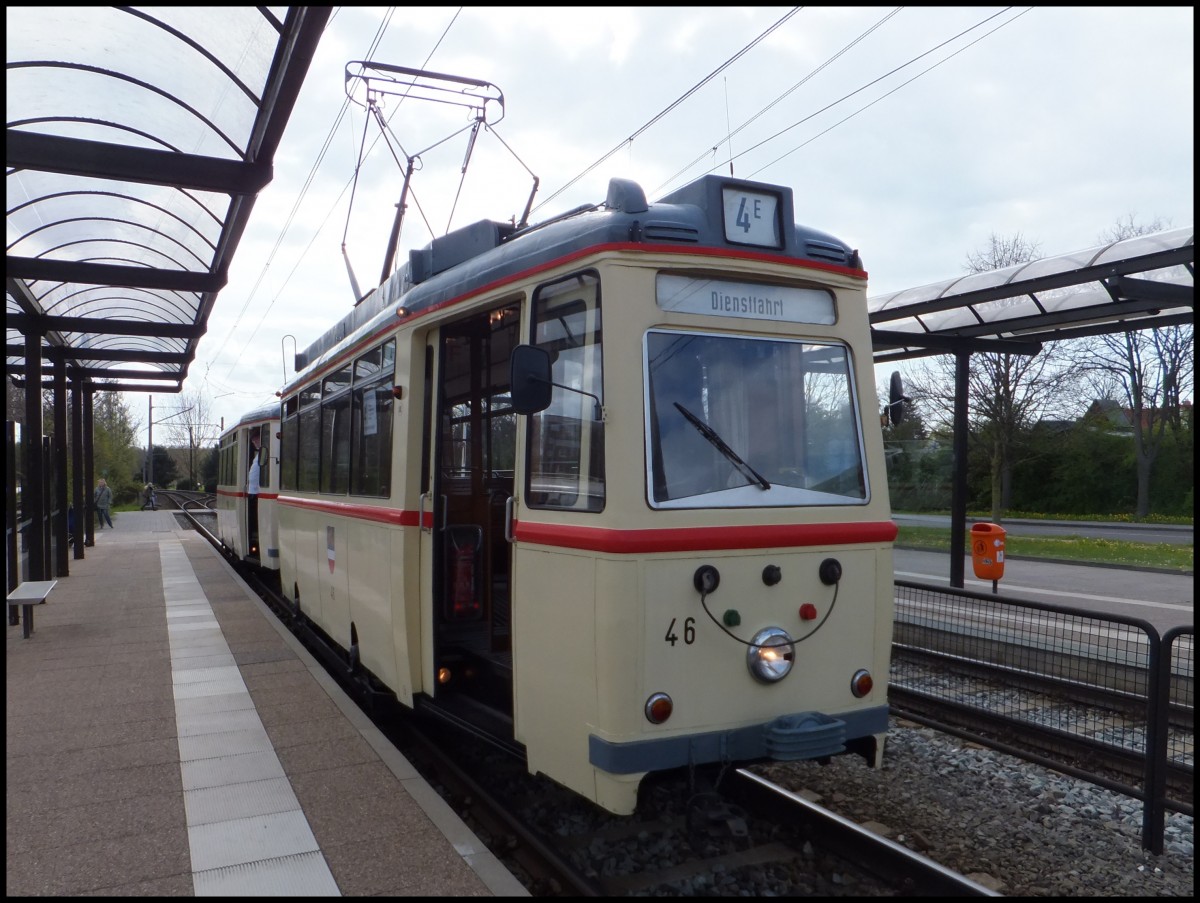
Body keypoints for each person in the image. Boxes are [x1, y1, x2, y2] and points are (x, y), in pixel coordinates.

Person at [247, 432, 261, 551]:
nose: (254, 442)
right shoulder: (260, 453)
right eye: (252, 441)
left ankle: (255, 540)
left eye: (255, 439)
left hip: (257, 493)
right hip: (253, 492)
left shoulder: (264, 453)